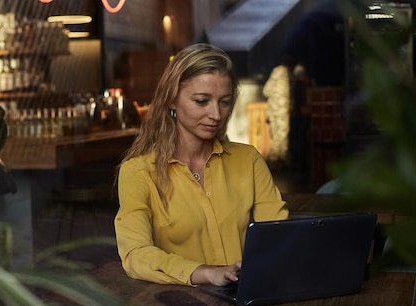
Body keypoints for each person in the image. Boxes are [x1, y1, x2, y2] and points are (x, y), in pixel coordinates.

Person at [114, 43, 289, 286]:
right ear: (171, 100)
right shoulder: (138, 172)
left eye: (224, 102)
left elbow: (278, 233)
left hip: (248, 299)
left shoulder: (248, 160)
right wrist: (206, 272)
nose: (216, 114)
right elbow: (135, 254)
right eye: (201, 101)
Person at [262, 55, 294, 168]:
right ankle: (280, 161)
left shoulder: (275, 72)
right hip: (283, 112)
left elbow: (265, 91)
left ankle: (274, 162)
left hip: (272, 111)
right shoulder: (289, 75)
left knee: (275, 136)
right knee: (283, 136)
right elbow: (292, 95)